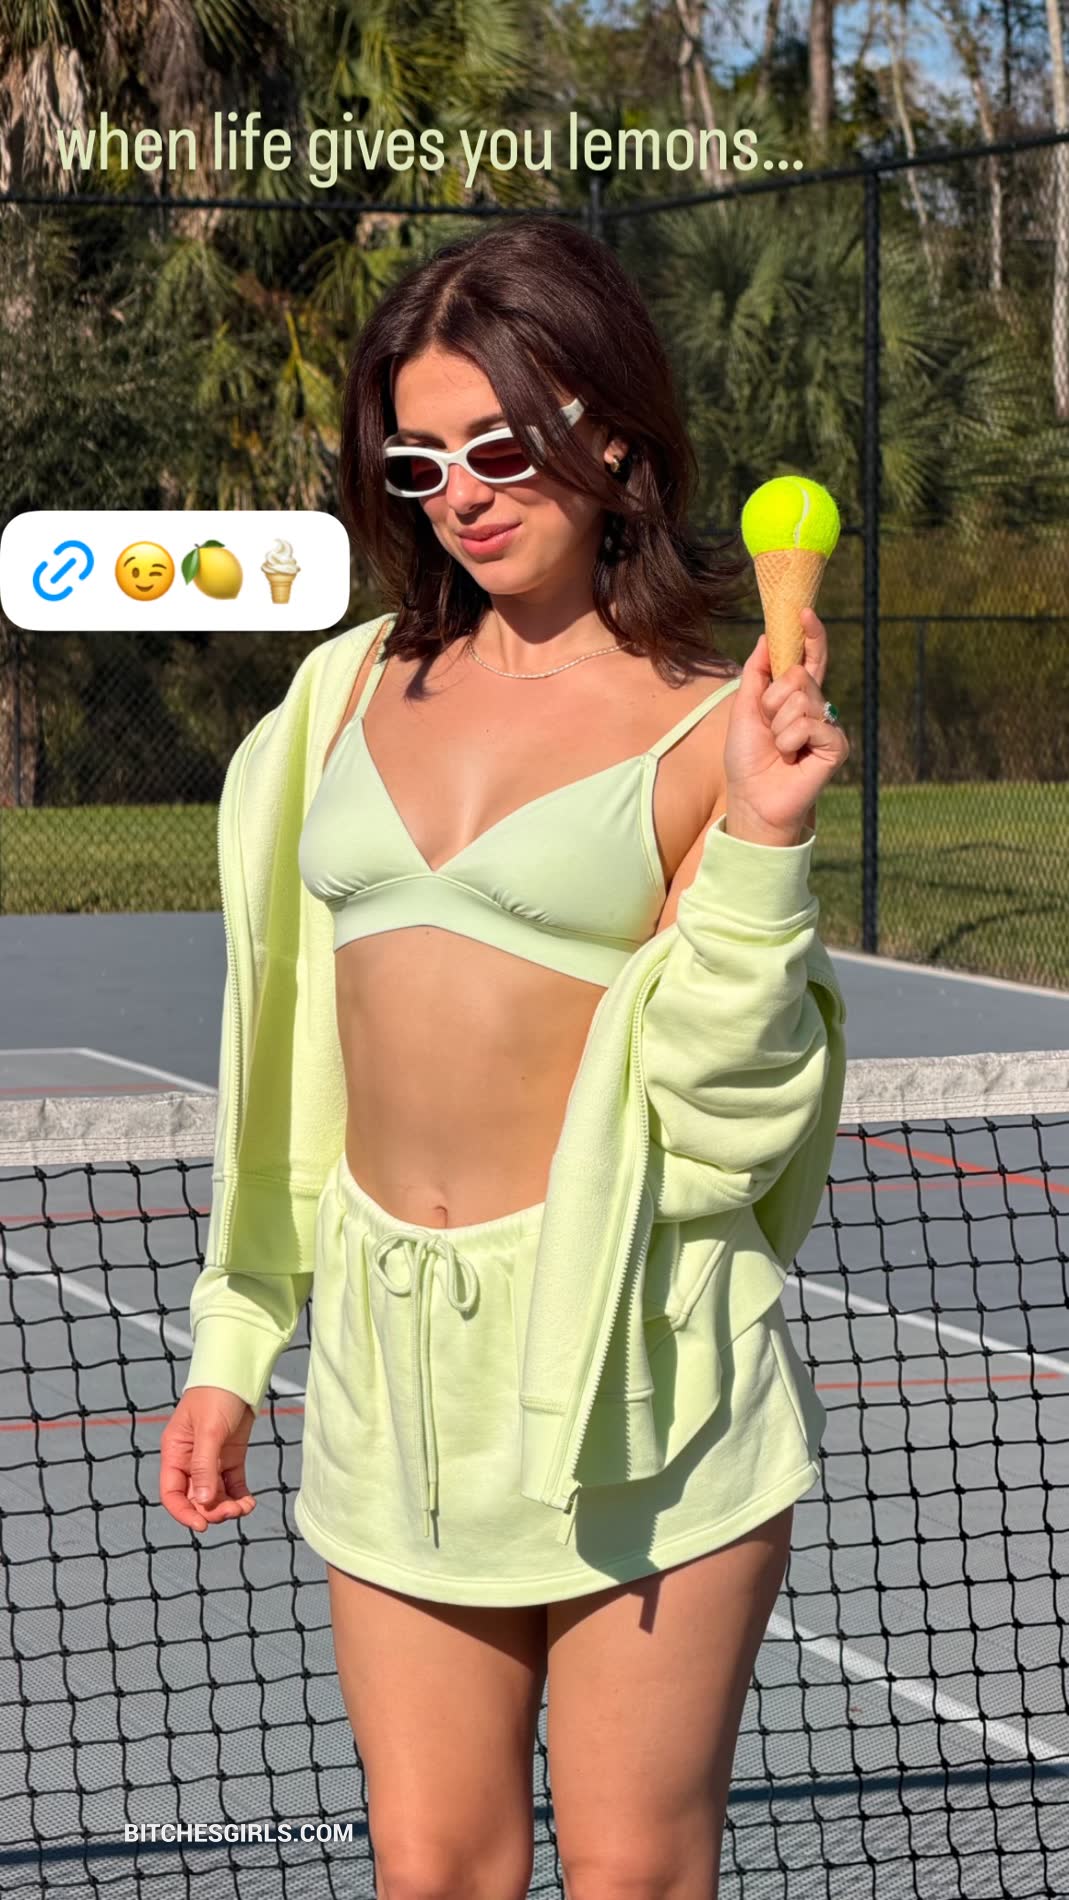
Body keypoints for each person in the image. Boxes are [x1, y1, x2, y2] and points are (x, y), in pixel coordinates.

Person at [160, 218, 851, 1900]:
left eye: (499, 443)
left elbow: (726, 1126)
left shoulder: (710, 725)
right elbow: (284, 1047)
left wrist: (761, 844)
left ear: (610, 436)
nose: (460, 494)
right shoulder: (337, 698)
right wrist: (237, 1337)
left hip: (637, 1373)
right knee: (435, 1869)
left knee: (630, 1873)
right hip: (388, 1383)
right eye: (419, 461)